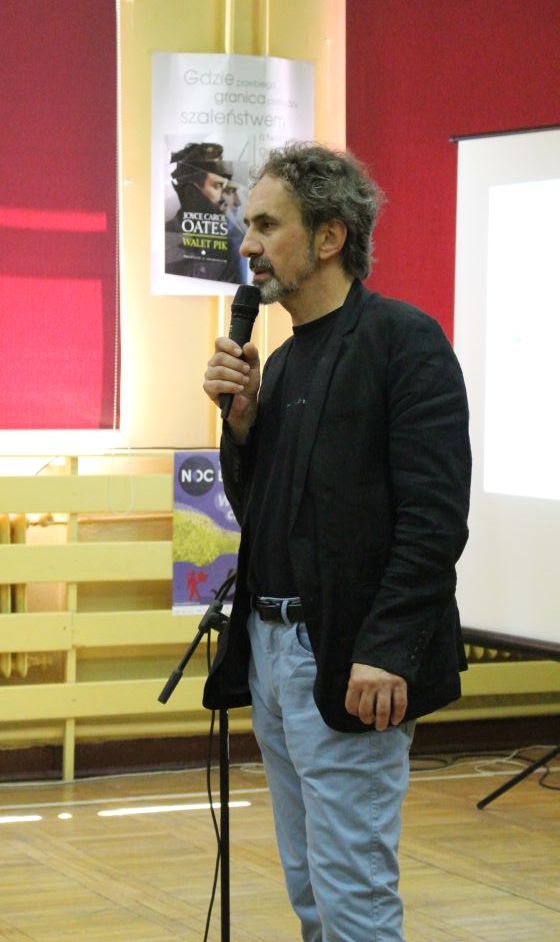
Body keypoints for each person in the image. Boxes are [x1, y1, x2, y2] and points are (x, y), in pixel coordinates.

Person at [202, 142, 471, 942]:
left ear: (329, 237)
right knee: (311, 890)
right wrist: (242, 428)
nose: (247, 245)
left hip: (352, 655)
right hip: (273, 648)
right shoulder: (283, 363)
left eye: (266, 225)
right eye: (248, 226)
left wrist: (387, 648)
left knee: (353, 896)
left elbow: (434, 518)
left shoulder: (403, 343)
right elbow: (266, 515)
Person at [165, 142, 242, 283]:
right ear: (190, 192)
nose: (224, 197)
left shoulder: (231, 246)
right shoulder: (162, 240)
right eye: (217, 186)